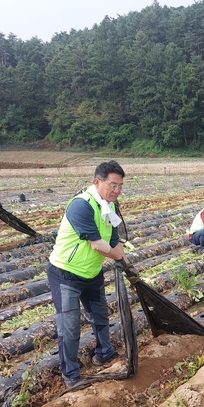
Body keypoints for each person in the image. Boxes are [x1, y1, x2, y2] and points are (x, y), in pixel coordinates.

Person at [47, 161, 139, 390]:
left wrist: (128, 265)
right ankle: (71, 374)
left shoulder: (111, 207)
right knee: (69, 325)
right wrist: (120, 260)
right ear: (98, 182)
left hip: (91, 272)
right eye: (113, 185)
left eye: (120, 186)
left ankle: (104, 353)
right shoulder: (82, 205)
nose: (117, 190)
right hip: (65, 274)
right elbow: (98, 245)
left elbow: (114, 242)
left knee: (100, 316)